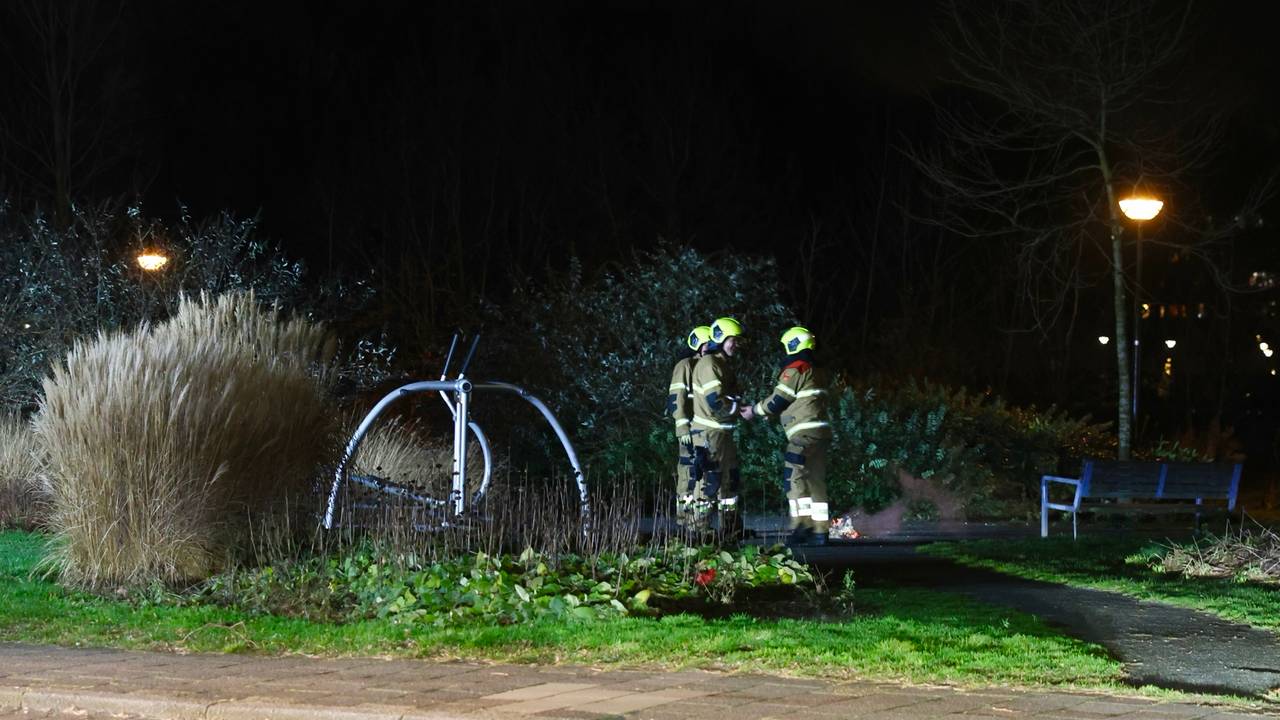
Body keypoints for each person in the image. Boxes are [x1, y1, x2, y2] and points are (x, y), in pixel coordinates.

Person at [743, 326, 833, 546]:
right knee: (816, 480)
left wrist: (754, 411)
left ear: (793, 345)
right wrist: (773, 413)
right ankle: (820, 531)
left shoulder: (797, 368)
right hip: (820, 433)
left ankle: (801, 525)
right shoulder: (816, 369)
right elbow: (800, 401)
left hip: (803, 433)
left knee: (793, 475)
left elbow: (779, 399)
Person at [690, 316, 746, 540]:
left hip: (722, 433)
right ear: (721, 339)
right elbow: (716, 402)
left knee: (728, 482)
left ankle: (730, 528)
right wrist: (738, 407)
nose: (736, 344)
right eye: (732, 339)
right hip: (709, 434)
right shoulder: (709, 364)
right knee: (709, 481)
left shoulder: (720, 364)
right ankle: (698, 530)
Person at [669, 325, 712, 530]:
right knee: (691, 474)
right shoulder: (686, 365)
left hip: (703, 430)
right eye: (707, 344)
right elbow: (676, 398)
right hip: (691, 430)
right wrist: (682, 427)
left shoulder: (705, 365)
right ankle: (689, 521)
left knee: (700, 473)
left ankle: (695, 522)